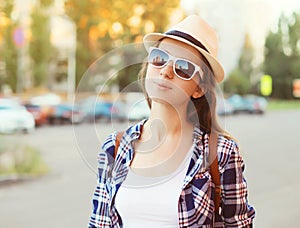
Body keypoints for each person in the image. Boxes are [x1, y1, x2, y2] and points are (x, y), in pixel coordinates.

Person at [88, 15, 255, 227]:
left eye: (183, 68)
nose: (166, 71)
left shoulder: (220, 153)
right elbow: (99, 223)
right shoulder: (114, 147)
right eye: (159, 58)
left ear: (199, 88)